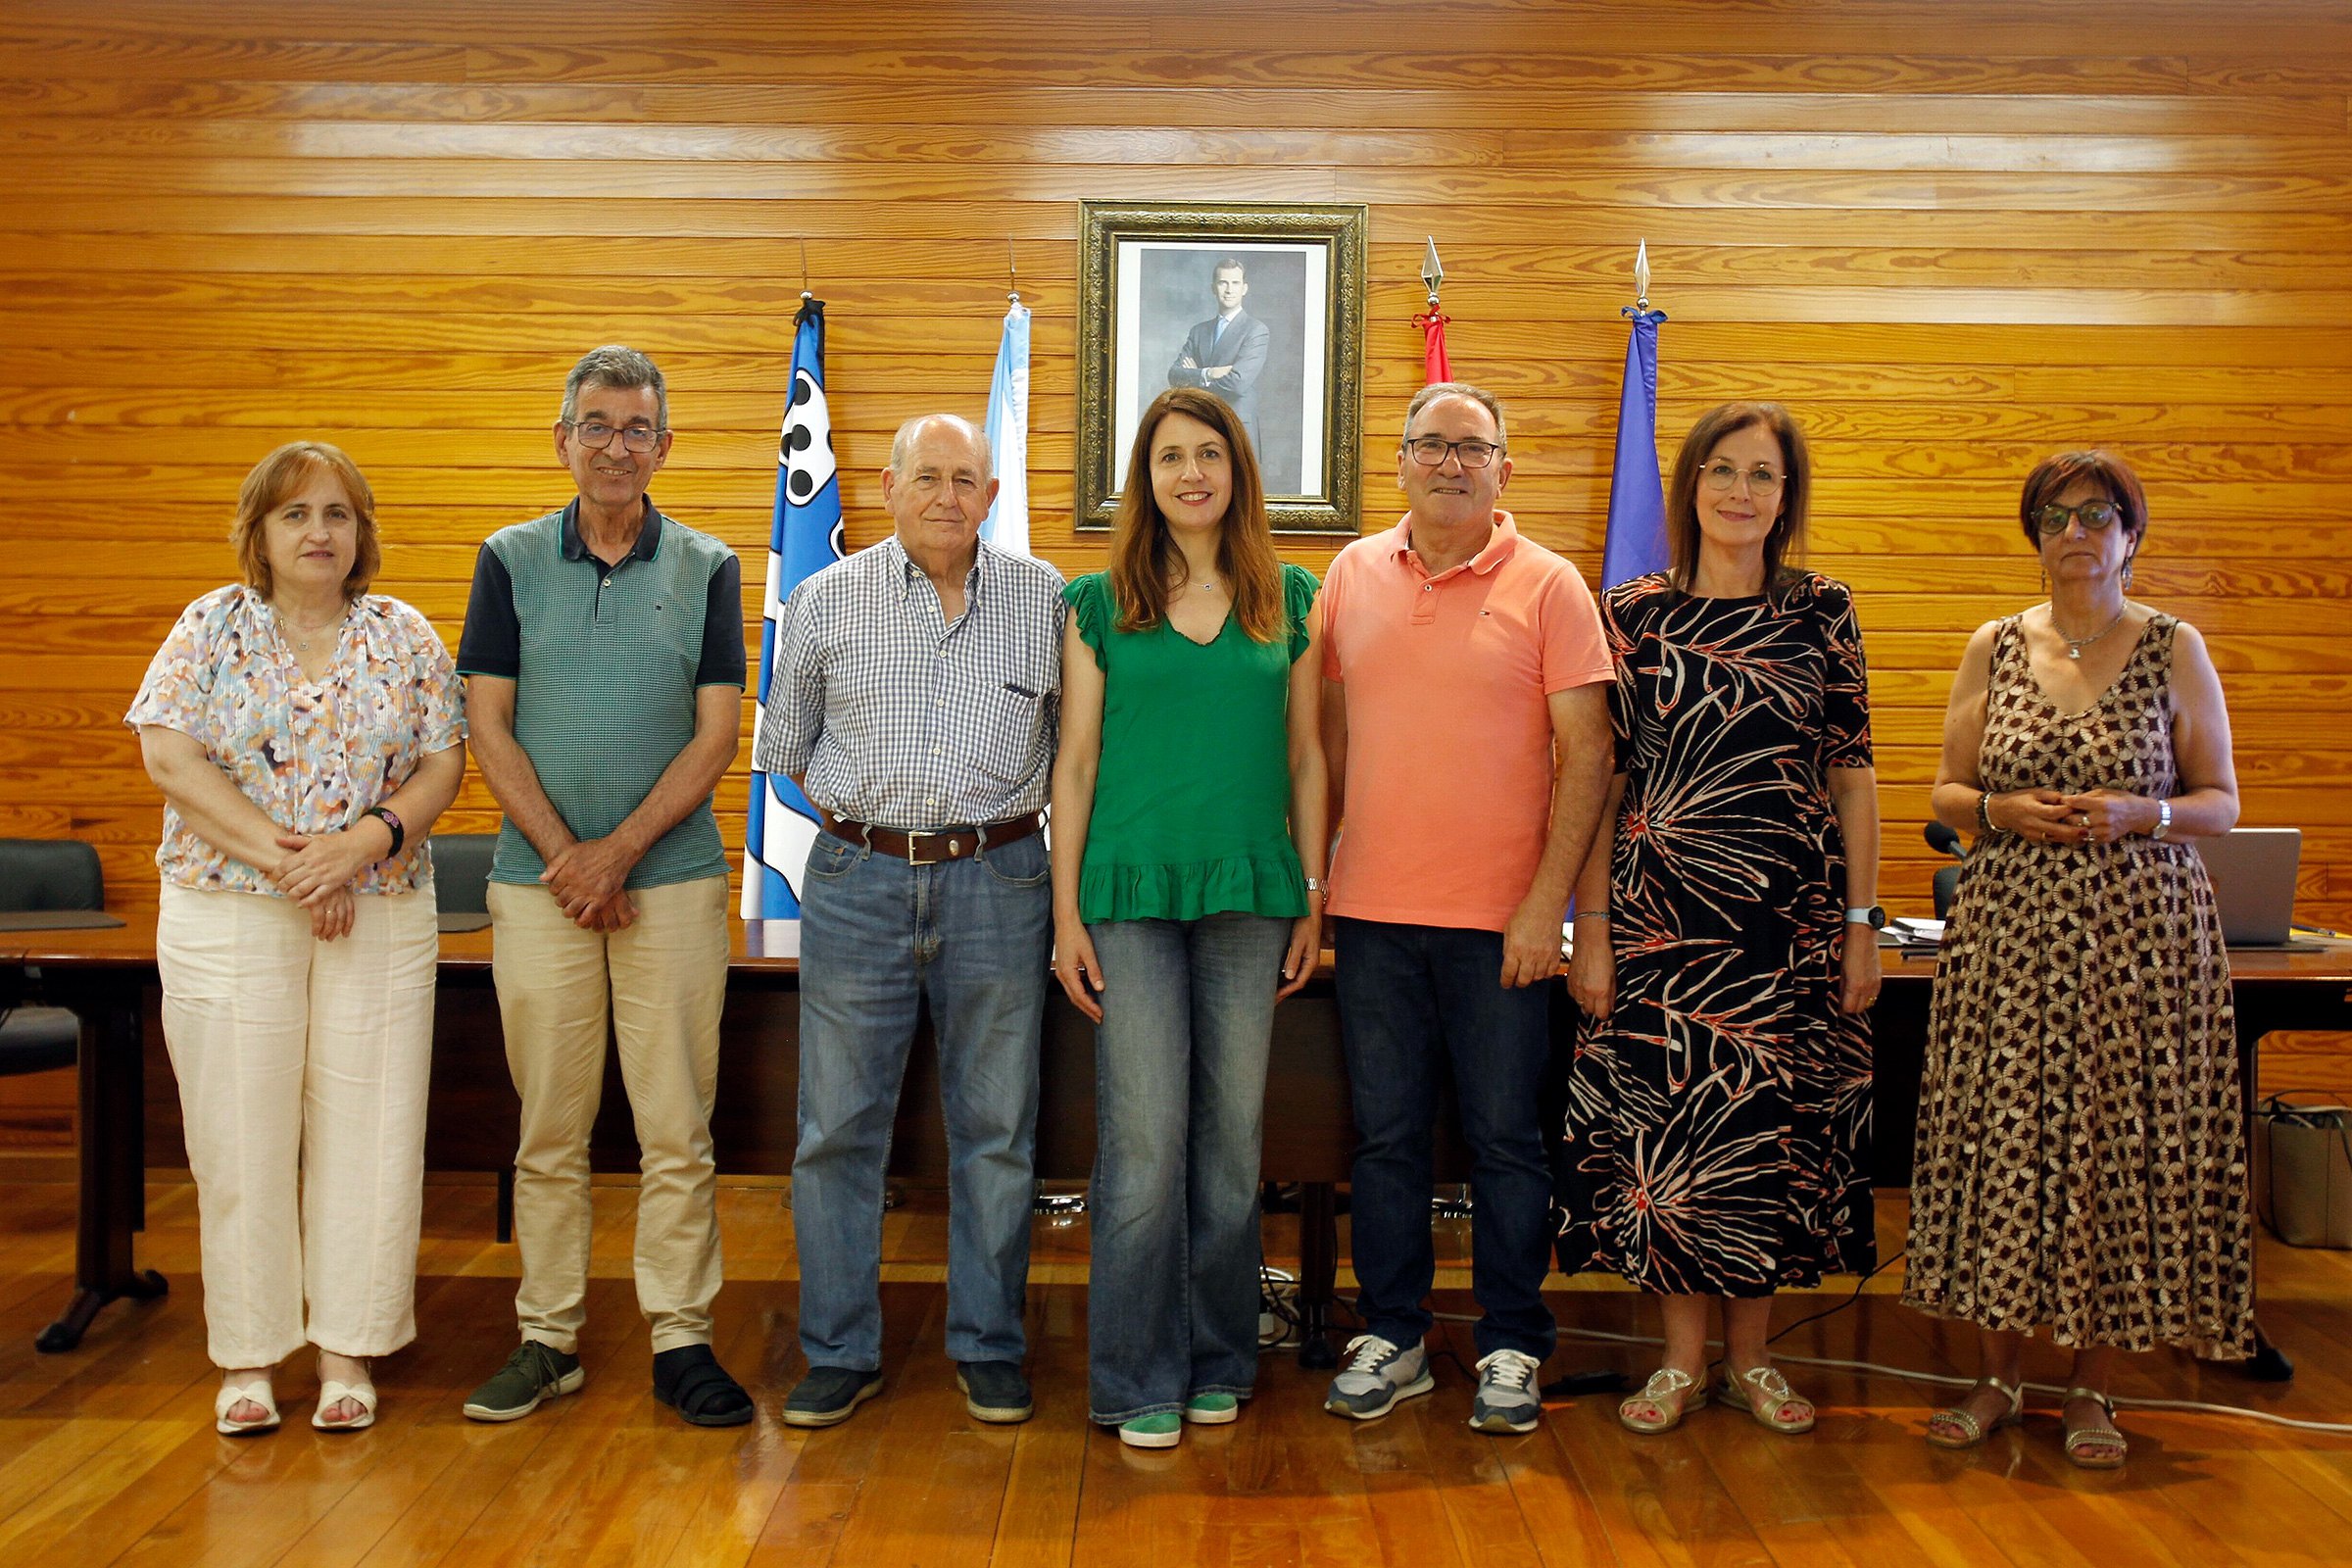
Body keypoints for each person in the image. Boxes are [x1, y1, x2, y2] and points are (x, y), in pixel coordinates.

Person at [1906, 450, 2247, 1469]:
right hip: (2009, 940)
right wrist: (1998, 811)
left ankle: (2094, 1386)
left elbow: (2222, 803)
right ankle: (1998, 1378)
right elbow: (1944, 791)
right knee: (2001, 1148)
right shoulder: (1995, 646)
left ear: (2131, 535)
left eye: (2099, 514)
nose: (2077, 532)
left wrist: (2146, 811)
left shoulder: (2175, 649)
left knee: (2115, 1153)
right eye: (2056, 515)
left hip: (2140, 947)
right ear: (2035, 534)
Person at [1556, 403, 1881, 1438]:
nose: (1742, 492)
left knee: (1769, 1137)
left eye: (1765, 476)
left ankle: (1754, 1362)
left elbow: (1852, 773)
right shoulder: (1633, 614)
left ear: (1788, 497)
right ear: (1690, 482)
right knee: (1674, 1137)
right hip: (1662, 921)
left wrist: (1864, 923)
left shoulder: (1821, 609)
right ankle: (1680, 1362)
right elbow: (1600, 776)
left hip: (1790, 920)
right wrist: (1593, 927)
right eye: (1724, 471)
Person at [129, 441, 466, 1435]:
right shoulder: (211, 627)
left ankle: (347, 1351)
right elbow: (170, 756)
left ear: (360, 534)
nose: (319, 531)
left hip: (381, 910)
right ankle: (246, 1357)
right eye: (295, 515)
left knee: (372, 1135)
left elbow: (443, 765)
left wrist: (354, 850)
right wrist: (295, 862)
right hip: (230, 909)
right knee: (240, 1136)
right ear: (260, 534)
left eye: (337, 514)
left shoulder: (403, 635)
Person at [456, 345, 752, 1428]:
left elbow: (719, 731)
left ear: (664, 446)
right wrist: (567, 859)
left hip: (668, 882)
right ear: (564, 439)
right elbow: (486, 719)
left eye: (637, 429)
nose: (616, 446)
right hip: (536, 889)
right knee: (551, 1126)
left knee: (678, 1126)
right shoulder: (509, 557)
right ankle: (549, 1338)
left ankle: (681, 1338)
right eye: (596, 424)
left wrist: (616, 853)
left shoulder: (709, 564)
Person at [1317, 381, 1614, 1435]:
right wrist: (1316, 889)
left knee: (1505, 1143)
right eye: (1431, 445)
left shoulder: (1551, 585)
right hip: (1372, 916)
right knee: (1386, 1140)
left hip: (1506, 927)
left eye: (1471, 447)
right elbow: (1321, 745)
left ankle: (1510, 1346)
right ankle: (1392, 1334)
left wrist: (1551, 907)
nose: (1450, 463)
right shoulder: (1350, 574)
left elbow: (1590, 757)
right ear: (1399, 460)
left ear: (1504, 468)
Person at [758, 413, 1066, 1430]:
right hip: (859, 877)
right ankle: (839, 1350)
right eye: (926, 476)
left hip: (1002, 877)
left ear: (990, 493)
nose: (946, 495)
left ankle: (988, 1345)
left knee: (998, 1128)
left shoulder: (1045, 600)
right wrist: (873, 822)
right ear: (888, 487)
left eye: (965, 478)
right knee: (837, 1128)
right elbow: (787, 748)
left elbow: (1075, 748)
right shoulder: (823, 598)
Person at [1050, 387, 1327, 1448]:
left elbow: (1309, 755)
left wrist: (1314, 893)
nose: (1191, 472)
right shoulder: (1095, 600)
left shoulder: (1289, 597)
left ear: (1238, 470)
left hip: (1253, 895)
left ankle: (1219, 1355)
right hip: (1128, 895)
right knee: (1144, 1144)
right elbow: (1073, 765)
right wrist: (1067, 911)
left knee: (1228, 1146)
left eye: (1209, 452)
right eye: (1170, 456)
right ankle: (1133, 1374)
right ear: (1146, 477)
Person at [1167, 258, 1270, 459]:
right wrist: (1209, 373)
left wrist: (1193, 384)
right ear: (1213, 288)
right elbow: (1174, 375)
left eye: (1235, 283)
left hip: (1237, 425)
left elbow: (1237, 384)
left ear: (1244, 288)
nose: (1229, 289)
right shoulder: (1198, 332)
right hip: (1200, 424)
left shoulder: (1256, 331)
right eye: (1223, 283)